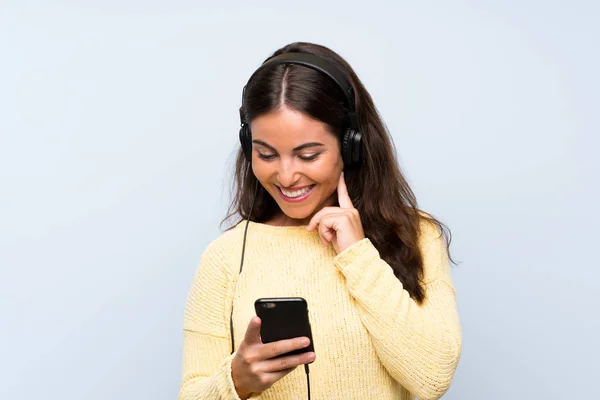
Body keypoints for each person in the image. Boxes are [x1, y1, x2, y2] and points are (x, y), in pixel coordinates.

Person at [178, 42, 461, 400]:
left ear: (351, 146)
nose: (286, 175)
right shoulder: (226, 256)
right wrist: (236, 381)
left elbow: (433, 377)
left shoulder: (415, 235)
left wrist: (358, 255)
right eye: (266, 154)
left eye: (308, 155)